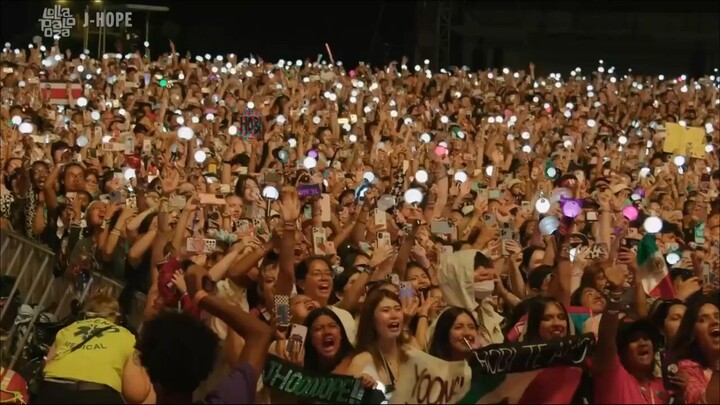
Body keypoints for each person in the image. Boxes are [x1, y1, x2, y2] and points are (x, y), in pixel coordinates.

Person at [36, 288, 134, 404]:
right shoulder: (125, 335)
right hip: (97, 394)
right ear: (116, 317)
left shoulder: (69, 329)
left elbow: (49, 361)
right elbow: (134, 389)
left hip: (54, 388)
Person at [672, 295, 720, 404]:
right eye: (702, 320)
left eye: (718, 317)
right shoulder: (688, 371)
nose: (715, 322)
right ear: (693, 334)